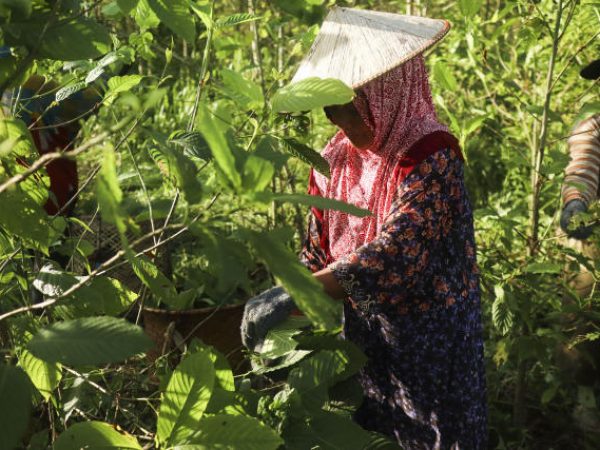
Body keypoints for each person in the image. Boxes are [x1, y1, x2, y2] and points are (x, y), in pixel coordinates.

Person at [242, 7, 487, 448]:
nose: (340, 124)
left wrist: (305, 291)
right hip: (363, 332)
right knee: (368, 431)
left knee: (434, 435)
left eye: (350, 111)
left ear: (386, 96)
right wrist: (290, 295)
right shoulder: (335, 162)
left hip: (429, 334)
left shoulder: (430, 154)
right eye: (331, 113)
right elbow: (318, 247)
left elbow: (398, 252)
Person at [559, 57, 599, 297]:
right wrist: (576, 203)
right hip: (593, 230)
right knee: (583, 315)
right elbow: (582, 168)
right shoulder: (593, 125)